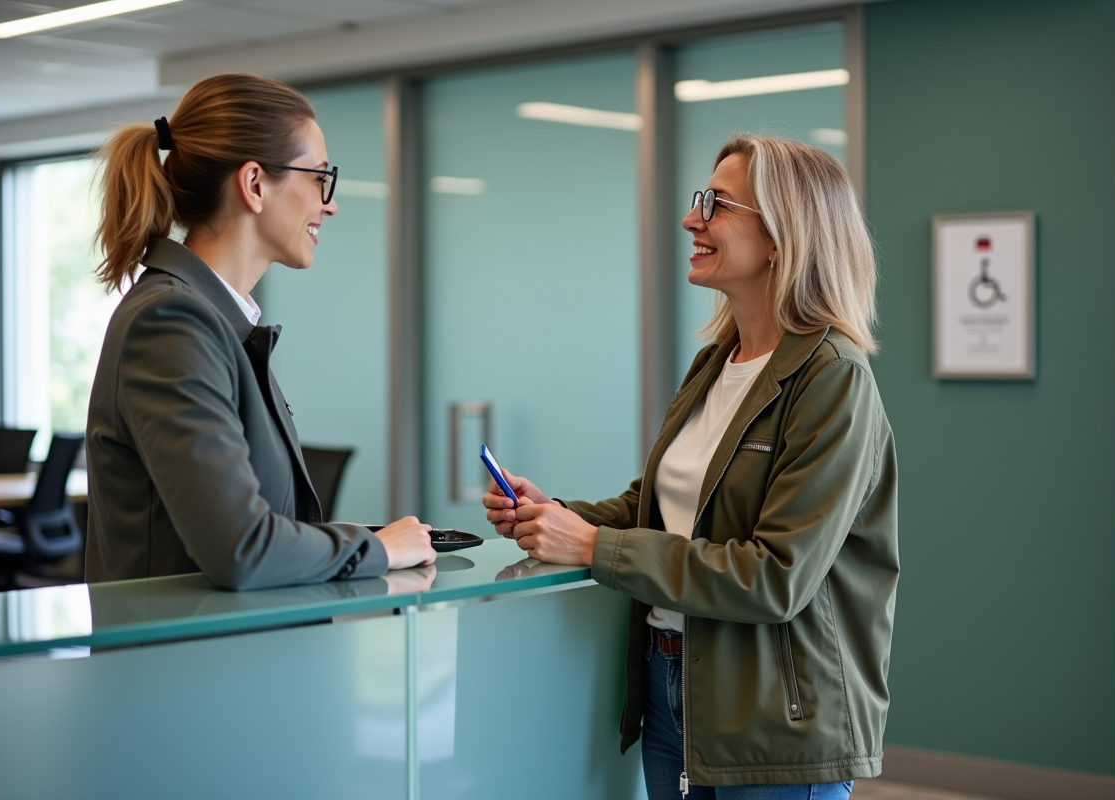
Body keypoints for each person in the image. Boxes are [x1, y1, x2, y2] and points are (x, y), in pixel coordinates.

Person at [484, 135, 898, 798]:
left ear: (779, 237)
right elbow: (658, 508)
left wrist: (594, 546)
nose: (691, 219)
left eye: (716, 204)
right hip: (669, 687)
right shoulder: (717, 364)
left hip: (772, 716)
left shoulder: (833, 380)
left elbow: (774, 577)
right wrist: (558, 514)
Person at [85, 73, 435, 590]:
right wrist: (378, 548)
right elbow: (240, 548)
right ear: (253, 185)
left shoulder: (215, 320)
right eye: (319, 177)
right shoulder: (172, 323)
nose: (329, 203)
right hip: (180, 667)